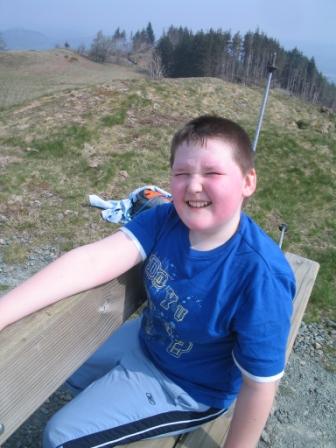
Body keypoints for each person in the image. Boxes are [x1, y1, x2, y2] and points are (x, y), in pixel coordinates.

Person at [0, 115, 295, 448]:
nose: (193, 185)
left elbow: (259, 385)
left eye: (212, 172)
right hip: (148, 342)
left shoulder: (261, 277)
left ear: (247, 181)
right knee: (53, 363)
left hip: (190, 388)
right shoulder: (165, 218)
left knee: (60, 436)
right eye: (182, 173)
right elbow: (91, 260)